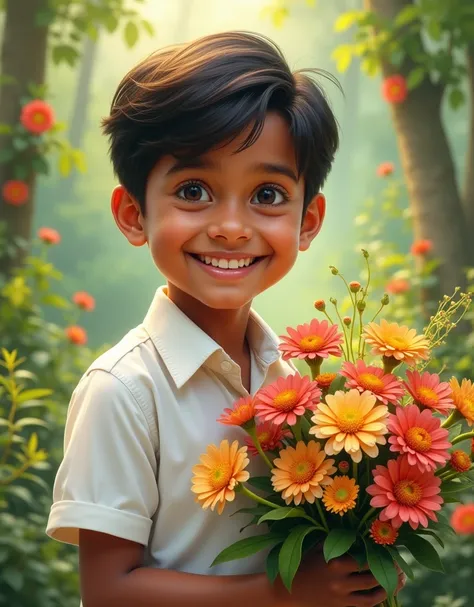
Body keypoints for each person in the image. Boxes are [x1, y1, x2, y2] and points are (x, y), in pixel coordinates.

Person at [46, 31, 402, 607]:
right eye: (194, 190)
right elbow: (109, 591)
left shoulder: (293, 382)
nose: (232, 226)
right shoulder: (124, 391)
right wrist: (290, 594)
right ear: (133, 213)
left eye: (267, 194)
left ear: (309, 220)